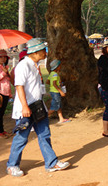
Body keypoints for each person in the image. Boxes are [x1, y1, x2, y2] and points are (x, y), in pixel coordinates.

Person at [6, 38, 70, 177]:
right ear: (35, 52)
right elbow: (19, 86)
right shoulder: (24, 66)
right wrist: (24, 106)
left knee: (44, 134)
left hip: (38, 107)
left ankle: (51, 162)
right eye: (43, 51)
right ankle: (12, 165)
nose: (45, 54)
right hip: (26, 109)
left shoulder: (35, 65)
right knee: (22, 137)